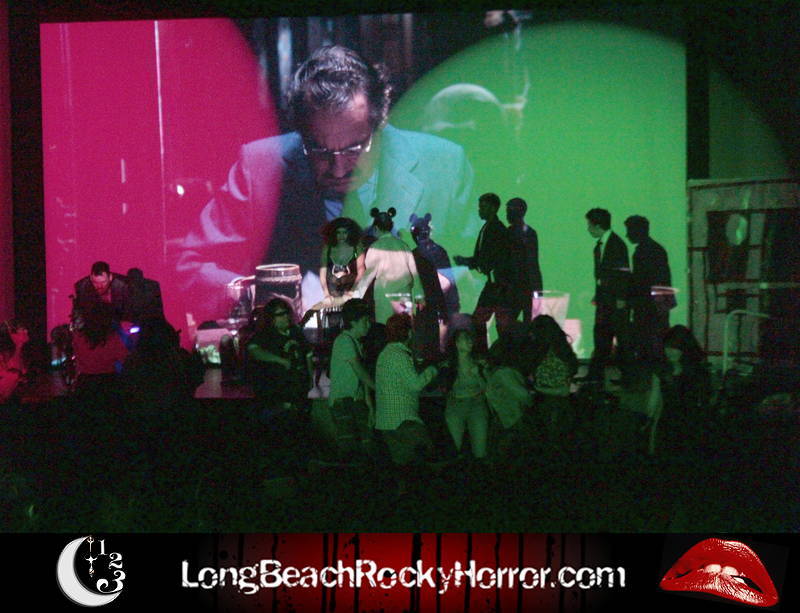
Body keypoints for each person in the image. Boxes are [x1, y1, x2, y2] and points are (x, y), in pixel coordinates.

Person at [175, 44, 474, 320]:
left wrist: (429, 278)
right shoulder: (259, 168)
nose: (339, 169)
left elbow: (484, 270)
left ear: (381, 123)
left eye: (355, 148)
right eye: (319, 150)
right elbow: (187, 268)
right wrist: (254, 294)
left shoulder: (443, 164)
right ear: (301, 134)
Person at [374, 313, 438, 491]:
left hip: (387, 422)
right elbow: (416, 385)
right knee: (427, 458)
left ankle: (404, 499)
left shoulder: (386, 353)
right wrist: (433, 370)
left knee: (403, 469)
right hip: (402, 421)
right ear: (408, 333)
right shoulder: (399, 355)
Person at [454, 193, 518, 350]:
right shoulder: (490, 227)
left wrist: (468, 262)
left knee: (491, 323)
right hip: (496, 285)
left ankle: (488, 354)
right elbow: (484, 258)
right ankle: (489, 353)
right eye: (480, 207)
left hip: (499, 286)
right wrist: (469, 261)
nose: (479, 210)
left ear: (493, 208)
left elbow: (490, 259)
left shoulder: (496, 229)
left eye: (483, 207)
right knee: (486, 322)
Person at [351, 208, 424, 326]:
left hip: (384, 295)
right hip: (404, 293)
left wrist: (355, 297)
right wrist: (419, 295)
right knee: (405, 328)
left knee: (385, 328)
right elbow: (414, 273)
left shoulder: (375, 247)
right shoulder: (403, 245)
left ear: (376, 228)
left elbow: (369, 274)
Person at [584, 208, 630, 381]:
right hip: (606, 299)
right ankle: (596, 376)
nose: (588, 229)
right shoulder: (605, 244)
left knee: (618, 339)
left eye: (589, 225)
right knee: (602, 337)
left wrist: (621, 298)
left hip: (614, 301)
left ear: (597, 225)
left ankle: (627, 377)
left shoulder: (616, 244)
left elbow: (623, 274)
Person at [327, 298, 375, 462]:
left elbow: (362, 378)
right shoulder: (344, 341)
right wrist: (380, 388)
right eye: (365, 321)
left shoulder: (355, 342)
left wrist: (369, 405)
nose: (368, 325)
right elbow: (360, 372)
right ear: (353, 322)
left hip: (354, 400)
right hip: (344, 401)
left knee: (361, 445)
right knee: (350, 447)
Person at [623, 215, 675, 363]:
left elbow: (642, 282)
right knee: (656, 343)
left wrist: (632, 301)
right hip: (657, 304)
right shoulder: (655, 249)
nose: (627, 235)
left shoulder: (644, 251)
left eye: (629, 230)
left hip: (649, 306)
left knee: (650, 344)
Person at [246, 298, 313, 412]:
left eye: (286, 313)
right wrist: (280, 360)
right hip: (277, 391)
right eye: (280, 314)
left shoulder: (296, 331)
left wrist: (310, 378)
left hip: (299, 388)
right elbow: (254, 350)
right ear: (271, 318)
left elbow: (308, 354)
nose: (285, 317)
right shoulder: (265, 335)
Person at [528, 315, 578, 448]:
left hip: (543, 397)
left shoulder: (537, 351)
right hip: (563, 396)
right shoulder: (563, 349)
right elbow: (573, 369)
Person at [443, 327, 489, 460]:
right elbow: (444, 388)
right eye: (465, 338)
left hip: (477, 404)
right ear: (457, 343)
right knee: (454, 449)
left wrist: (478, 375)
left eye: (470, 338)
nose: (470, 341)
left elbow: (488, 388)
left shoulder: (479, 363)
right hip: (456, 406)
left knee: (480, 451)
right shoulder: (448, 365)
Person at [506, 197, 543, 322]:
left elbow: (532, 263)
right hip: (525, 287)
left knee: (515, 324)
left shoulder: (509, 233)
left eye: (509, 211)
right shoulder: (530, 233)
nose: (507, 215)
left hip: (517, 289)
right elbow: (534, 265)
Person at [319, 217, 365, 300]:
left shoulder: (357, 247)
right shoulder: (327, 248)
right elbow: (323, 273)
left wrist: (352, 292)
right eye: (338, 233)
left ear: (350, 233)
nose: (341, 236)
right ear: (334, 233)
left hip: (353, 291)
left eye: (345, 233)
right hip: (332, 292)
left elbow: (361, 272)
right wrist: (326, 295)